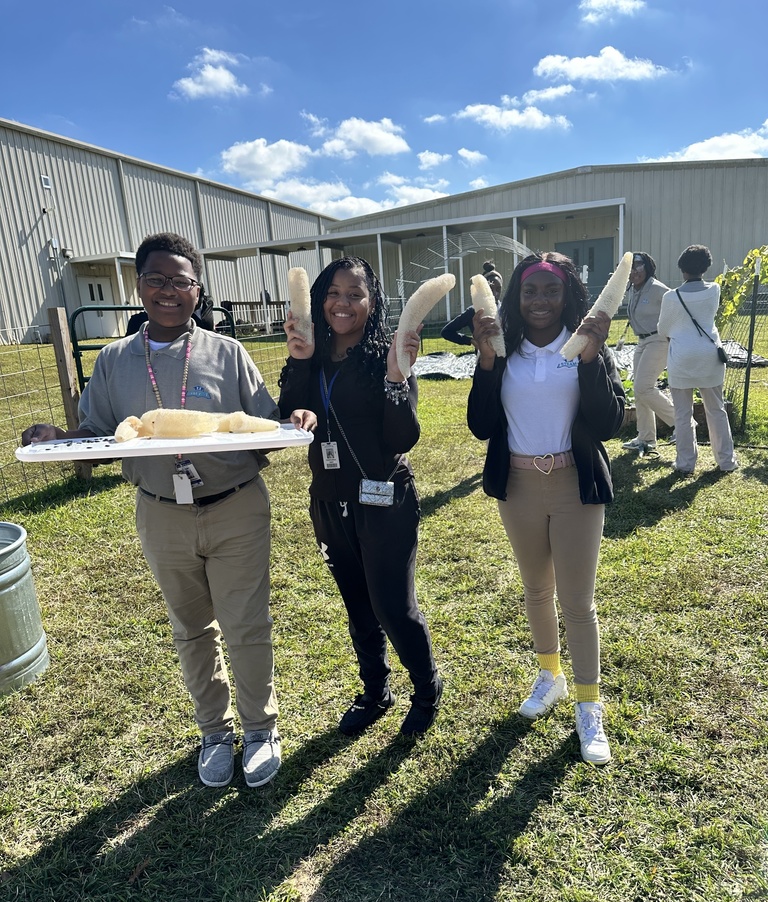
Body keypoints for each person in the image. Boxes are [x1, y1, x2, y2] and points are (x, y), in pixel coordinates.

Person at [22, 232, 316, 789]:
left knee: (246, 623)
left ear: (197, 291)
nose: (168, 291)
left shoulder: (226, 352)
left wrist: (292, 423)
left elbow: (260, 426)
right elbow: (98, 432)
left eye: (181, 281)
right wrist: (55, 436)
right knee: (191, 629)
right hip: (160, 511)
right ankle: (214, 730)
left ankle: (259, 730)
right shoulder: (113, 361)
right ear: (140, 285)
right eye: (157, 279)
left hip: (234, 507)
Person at [467, 251, 625, 764]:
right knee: (537, 588)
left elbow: (607, 423)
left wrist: (591, 357)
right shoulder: (503, 349)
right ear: (516, 295)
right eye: (530, 290)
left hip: (573, 484)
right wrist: (486, 361)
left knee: (578, 602)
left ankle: (587, 703)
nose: (540, 300)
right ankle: (549, 674)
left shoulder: (586, 345)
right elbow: (481, 424)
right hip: (517, 483)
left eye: (551, 290)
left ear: (567, 295)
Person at [278, 256, 442, 737]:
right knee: (357, 607)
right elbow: (287, 411)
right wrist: (300, 363)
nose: (341, 303)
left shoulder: (386, 354)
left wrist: (396, 378)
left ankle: (426, 688)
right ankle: (375, 691)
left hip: (384, 497)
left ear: (373, 303)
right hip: (329, 500)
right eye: (333, 292)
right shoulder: (312, 353)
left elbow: (402, 437)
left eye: (355, 294)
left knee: (393, 605)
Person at [657, 244, 738, 476]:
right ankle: (726, 461)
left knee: (683, 414)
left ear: (682, 268)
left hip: (681, 357)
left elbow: (664, 329)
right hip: (710, 356)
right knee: (717, 410)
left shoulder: (671, 297)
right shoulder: (715, 290)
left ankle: (685, 463)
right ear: (706, 267)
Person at [622, 252, 675, 454]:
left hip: (659, 340)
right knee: (639, 390)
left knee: (644, 387)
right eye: (630, 267)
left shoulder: (658, 289)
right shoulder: (634, 289)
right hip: (642, 341)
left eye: (638, 266)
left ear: (648, 267)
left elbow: (676, 309)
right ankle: (645, 438)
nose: (634, 271)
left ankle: (684, 424)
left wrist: (673, 336)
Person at [441, 260, 503, 346]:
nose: (495, 294)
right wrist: (470, 341)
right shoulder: (474, 312)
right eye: (490, 289)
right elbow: (446, 331)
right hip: (483, 358)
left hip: (508, 359)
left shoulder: (506, 309)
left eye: (498, 289)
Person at [125, 282, 216, 335]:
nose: (168, 293)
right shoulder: (137, 321)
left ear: (197, 293)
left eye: (182, 283)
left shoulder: (206, 305)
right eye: (155, 280)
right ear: (139, 288)